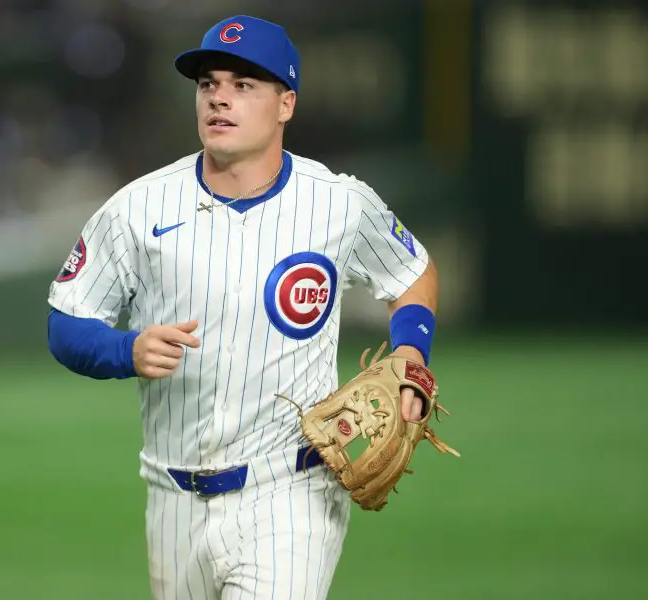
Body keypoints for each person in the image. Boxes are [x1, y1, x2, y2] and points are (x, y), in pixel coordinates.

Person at [47, 15, 439, 600]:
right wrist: (123, 348)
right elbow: (65, 321)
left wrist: (411, 350)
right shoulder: (138, 207)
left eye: (243, 84)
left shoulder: (337, 203)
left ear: (286, 104)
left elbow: (413, 273)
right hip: (172, 498)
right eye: (209, 84)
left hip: (291, 494)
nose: (219, 98)